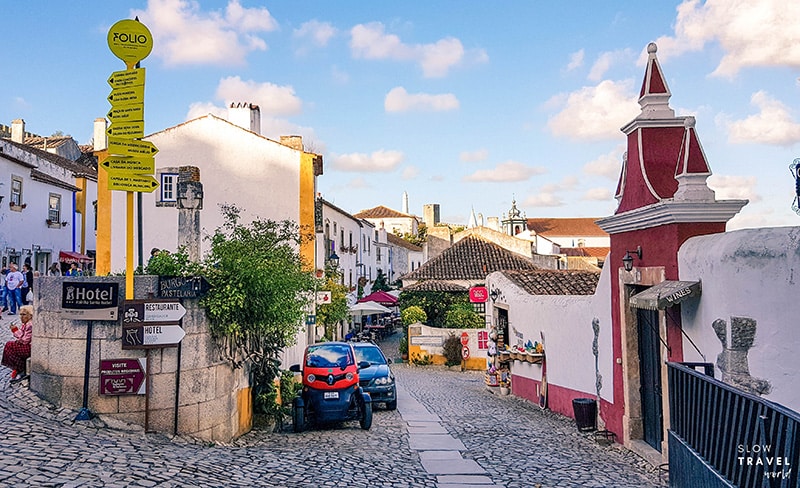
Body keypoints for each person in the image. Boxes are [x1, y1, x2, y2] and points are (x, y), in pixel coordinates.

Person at [2, 304, 33, 383]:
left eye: (24, 314)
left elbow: (25, 340)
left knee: (9, 345)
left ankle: (20, 368)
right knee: (9, 345)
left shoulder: (30, 325)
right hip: (27, 345)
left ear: (30, 315)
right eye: (21, 314)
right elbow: (21, 336)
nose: (21, 317)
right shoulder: (25, 324)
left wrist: (15, 330)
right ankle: (18, 367)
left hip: (30, 347)